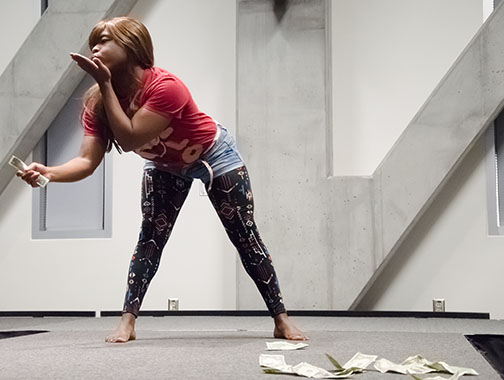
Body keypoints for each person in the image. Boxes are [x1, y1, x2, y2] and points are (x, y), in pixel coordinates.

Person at [18, 16, 307, 343]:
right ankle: (127, 321)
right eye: (93, 41)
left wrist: (104, 84)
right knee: (151, 238)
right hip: (163, 165)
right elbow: (86, 161)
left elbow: (128, 139)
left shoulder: (166, 87)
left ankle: (281, 319)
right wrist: (49, 172)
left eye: (105, 40)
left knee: (244, 235)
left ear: (131, 46)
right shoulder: (98, 104)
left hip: (212, 154)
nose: (95, 47)